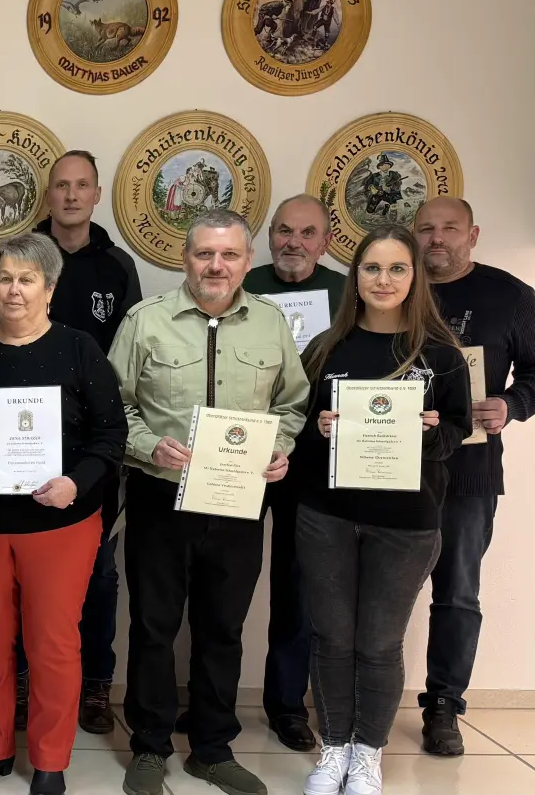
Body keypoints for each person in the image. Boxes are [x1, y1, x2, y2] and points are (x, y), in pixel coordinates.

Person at [108, 209, 309, 795]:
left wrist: (279, 447)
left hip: (238, 500)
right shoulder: (145, 321)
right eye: (204, 254)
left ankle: (213, 750)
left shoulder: (270, 323)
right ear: (185, 259)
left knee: (223, 627)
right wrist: (148, 445)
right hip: (160, 495)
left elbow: (292, 404)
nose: (216, 266)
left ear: (247, 261)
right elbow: (112, 407)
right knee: (153, 626)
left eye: (228, 255)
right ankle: (150, 747)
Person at [291, 225, 472, 795]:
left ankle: (368, 751)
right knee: (332, 638)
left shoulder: (441, 356)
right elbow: (295, 430)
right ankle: (335, 748)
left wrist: (433, 432)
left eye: (397, 268)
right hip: (327, 515)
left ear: (415, 278)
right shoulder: (326, 348)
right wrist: (319, 429)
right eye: (372, 268)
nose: (384, 280)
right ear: (356, 276)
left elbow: (459, 431)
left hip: (406, 523)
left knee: (378, 643)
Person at [0, 234, 127, 795]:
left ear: (50, 289)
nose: (14, 290)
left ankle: (50, 759)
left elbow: (111, 434)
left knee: (52, 643)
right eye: (5, 278)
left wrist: (76, 483)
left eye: (27, 280)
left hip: (61, 524)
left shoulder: (79, 349)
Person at [413, 199, 535, 754]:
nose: (437, 238)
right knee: (379, 591)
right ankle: (365, 703)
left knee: (456, 592)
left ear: (472, 234)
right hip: (390, 466)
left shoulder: (509, 295)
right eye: (426, 229)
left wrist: (511, 405)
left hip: (469, 471)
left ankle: (444, 706)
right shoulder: (394, 286)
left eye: (449, 228)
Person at [31, 149, 143, 737]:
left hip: (93, 447)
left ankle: (96, 683)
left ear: (97, 194)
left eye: (81, 186)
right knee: (23, 568)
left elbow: (128, 360)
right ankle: (24, 682)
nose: (71, 196)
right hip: (24, 438)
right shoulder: (24, 256)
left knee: (98, 571)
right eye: (61, 186)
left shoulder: (118, 267)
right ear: (47, 194)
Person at [239, 193, 346, 752]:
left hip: (314, 461)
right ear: (268, 236)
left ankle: (286, 706)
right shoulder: (243, 283)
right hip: (244, 453)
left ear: (325, 242)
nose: (293, 242)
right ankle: (212, 700)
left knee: (296, 585)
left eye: (307, 233)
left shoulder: (347, 293)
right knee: (226, 578)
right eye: (284, 231)